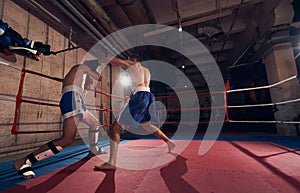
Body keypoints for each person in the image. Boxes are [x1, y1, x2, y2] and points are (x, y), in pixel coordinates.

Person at [13, 60, 106, 178]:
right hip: (72, 99)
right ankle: (23, 162)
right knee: (67, 140)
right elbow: (99, 78)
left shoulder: (78, 78)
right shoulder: (81, 67)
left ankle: (93, 148)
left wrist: (86, 88)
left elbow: (80, 97)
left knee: (94, 123)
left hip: (76, 101)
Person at [94, 54, 175, 171]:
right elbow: (141, 86)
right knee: (147, 125)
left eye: (128, 61)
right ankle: (169, 142)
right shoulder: (147, 71)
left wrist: (100, 60)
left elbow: (116, 61)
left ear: (132, 59)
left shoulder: (134, 64)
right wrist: (133, 96)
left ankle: (111, 162)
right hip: (148, 96)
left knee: (115, 127)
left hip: (140, 96)